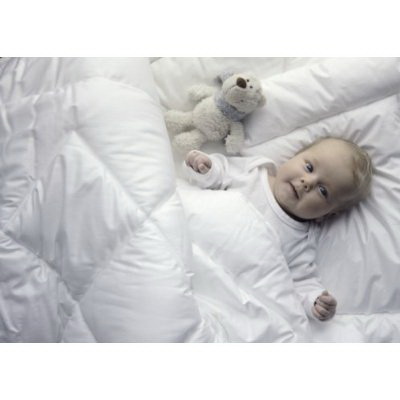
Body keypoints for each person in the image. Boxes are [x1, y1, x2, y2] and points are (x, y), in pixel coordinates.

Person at [183, 137, 373, 321]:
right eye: (309, 167)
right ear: (295, 156)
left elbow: (301, 282)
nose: (307, 182)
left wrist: (315, 300)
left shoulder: (301, 240)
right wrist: (205, 168)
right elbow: (220, 173)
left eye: (323, 191)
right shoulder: (253, 172)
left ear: (326, 214)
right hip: (191, 239)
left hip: (225, 286)